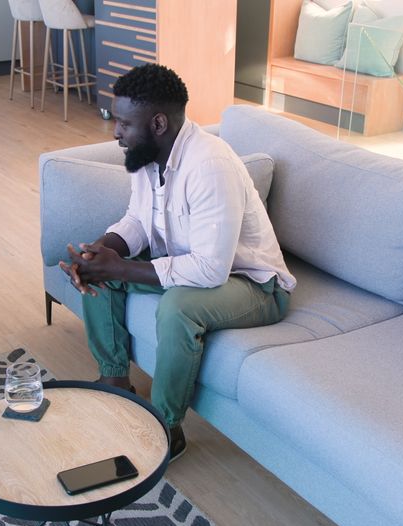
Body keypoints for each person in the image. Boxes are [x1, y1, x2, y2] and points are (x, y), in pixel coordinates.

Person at [60, 64, 296, 461]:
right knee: (102, 272)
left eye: (123, 123)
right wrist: (101, 253)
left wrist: (119, 266)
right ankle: (115, 382)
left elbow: (210, 270)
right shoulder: (146, 157)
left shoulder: (209, 166)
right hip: (190, 265)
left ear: (157, 123)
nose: (115, 132)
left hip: (254, 285)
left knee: (177, 308)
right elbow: (137, 220)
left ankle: (166, 426)